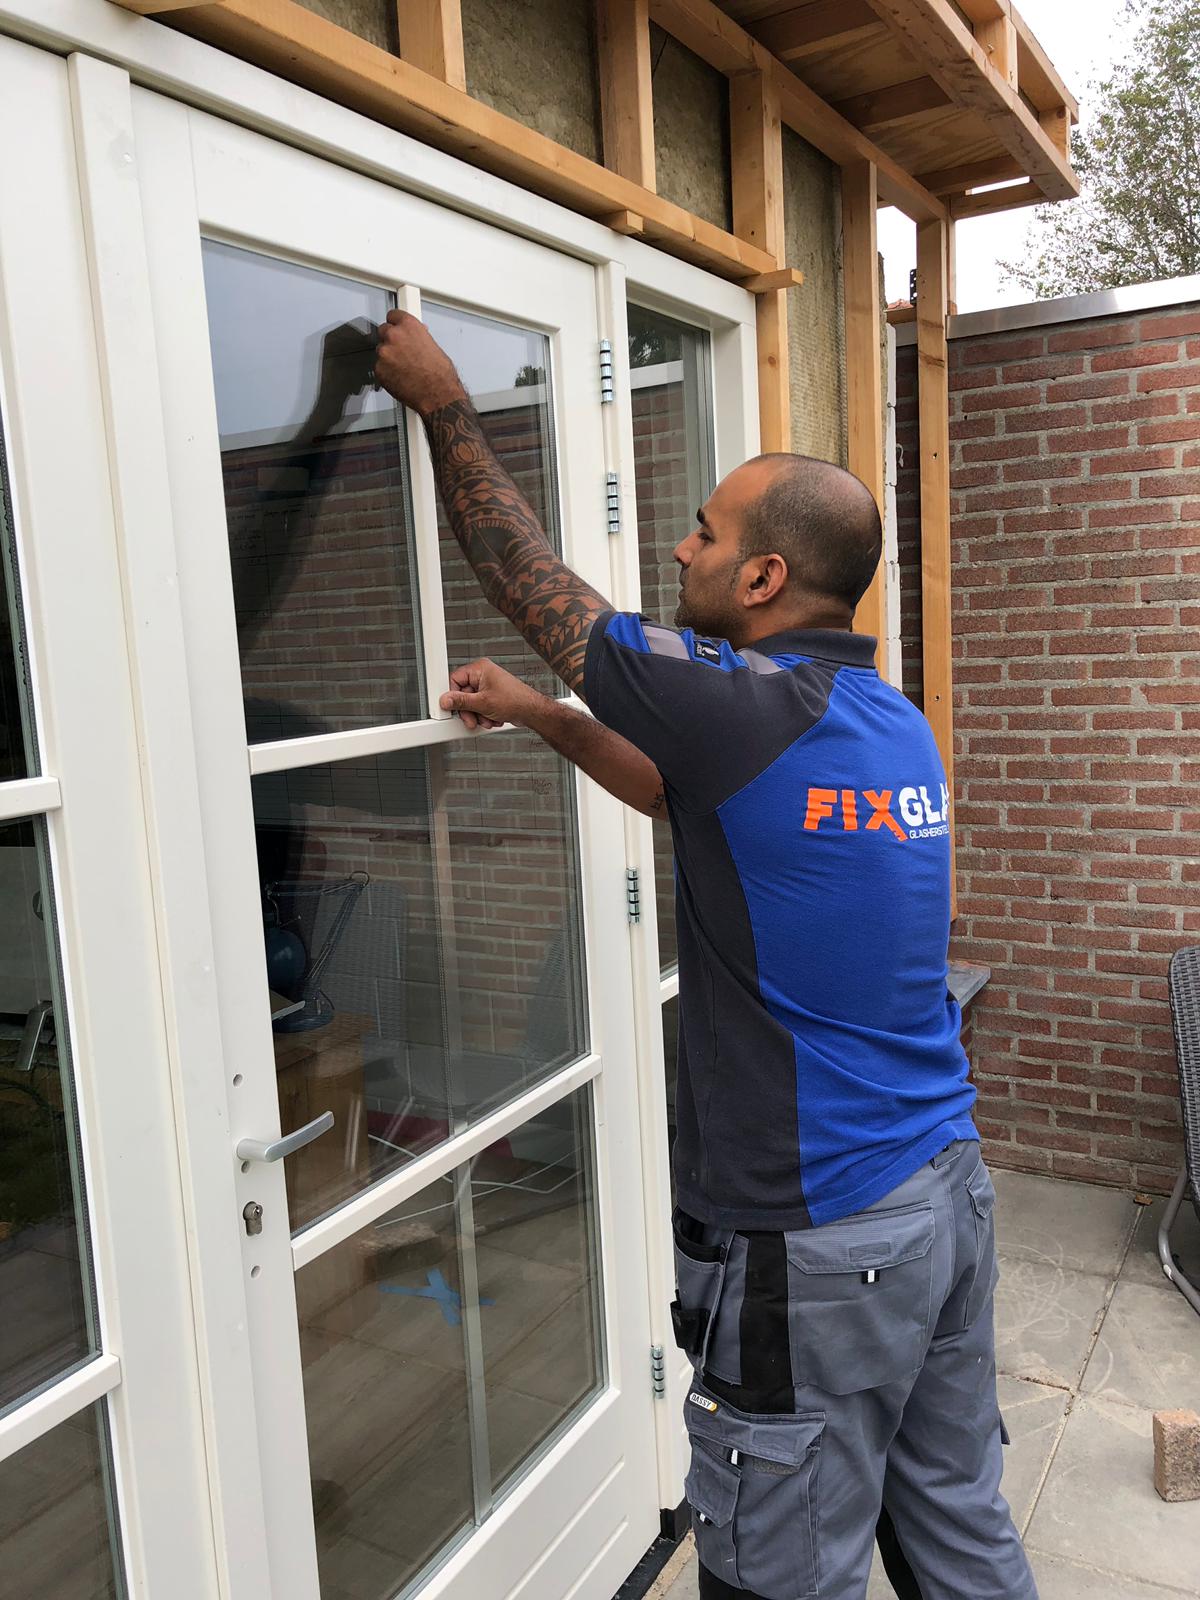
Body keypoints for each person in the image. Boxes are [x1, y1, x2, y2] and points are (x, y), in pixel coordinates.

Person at [373, 309, 1037, 1600]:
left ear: (765, 583)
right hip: (943, 1196)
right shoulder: (882, 723)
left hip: (821, 1235)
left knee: (783, 1570)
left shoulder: (747, 705)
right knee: (958, 1524)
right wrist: (543, 716)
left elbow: (537, 586)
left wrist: (448, 403)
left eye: (703, 533)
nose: (680, 547)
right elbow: (691, 800)